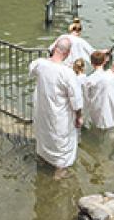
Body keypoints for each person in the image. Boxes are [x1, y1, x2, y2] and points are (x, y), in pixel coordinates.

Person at [30, 36, 83, 180]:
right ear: (67, 54)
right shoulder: (67, 73)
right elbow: (76, 100)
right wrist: (79, 116)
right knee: (61, 141)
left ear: (54, 49)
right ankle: (60, 171)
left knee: (44, 134)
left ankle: (43, 159)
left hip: (42, 110)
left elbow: (31, 69)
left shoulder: (40, 64)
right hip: (59, 113)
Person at [84, 54, 114, 131]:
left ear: (91, 63)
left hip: (99, 115)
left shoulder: (90, 79)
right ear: (104, 62)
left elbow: (85, 97)